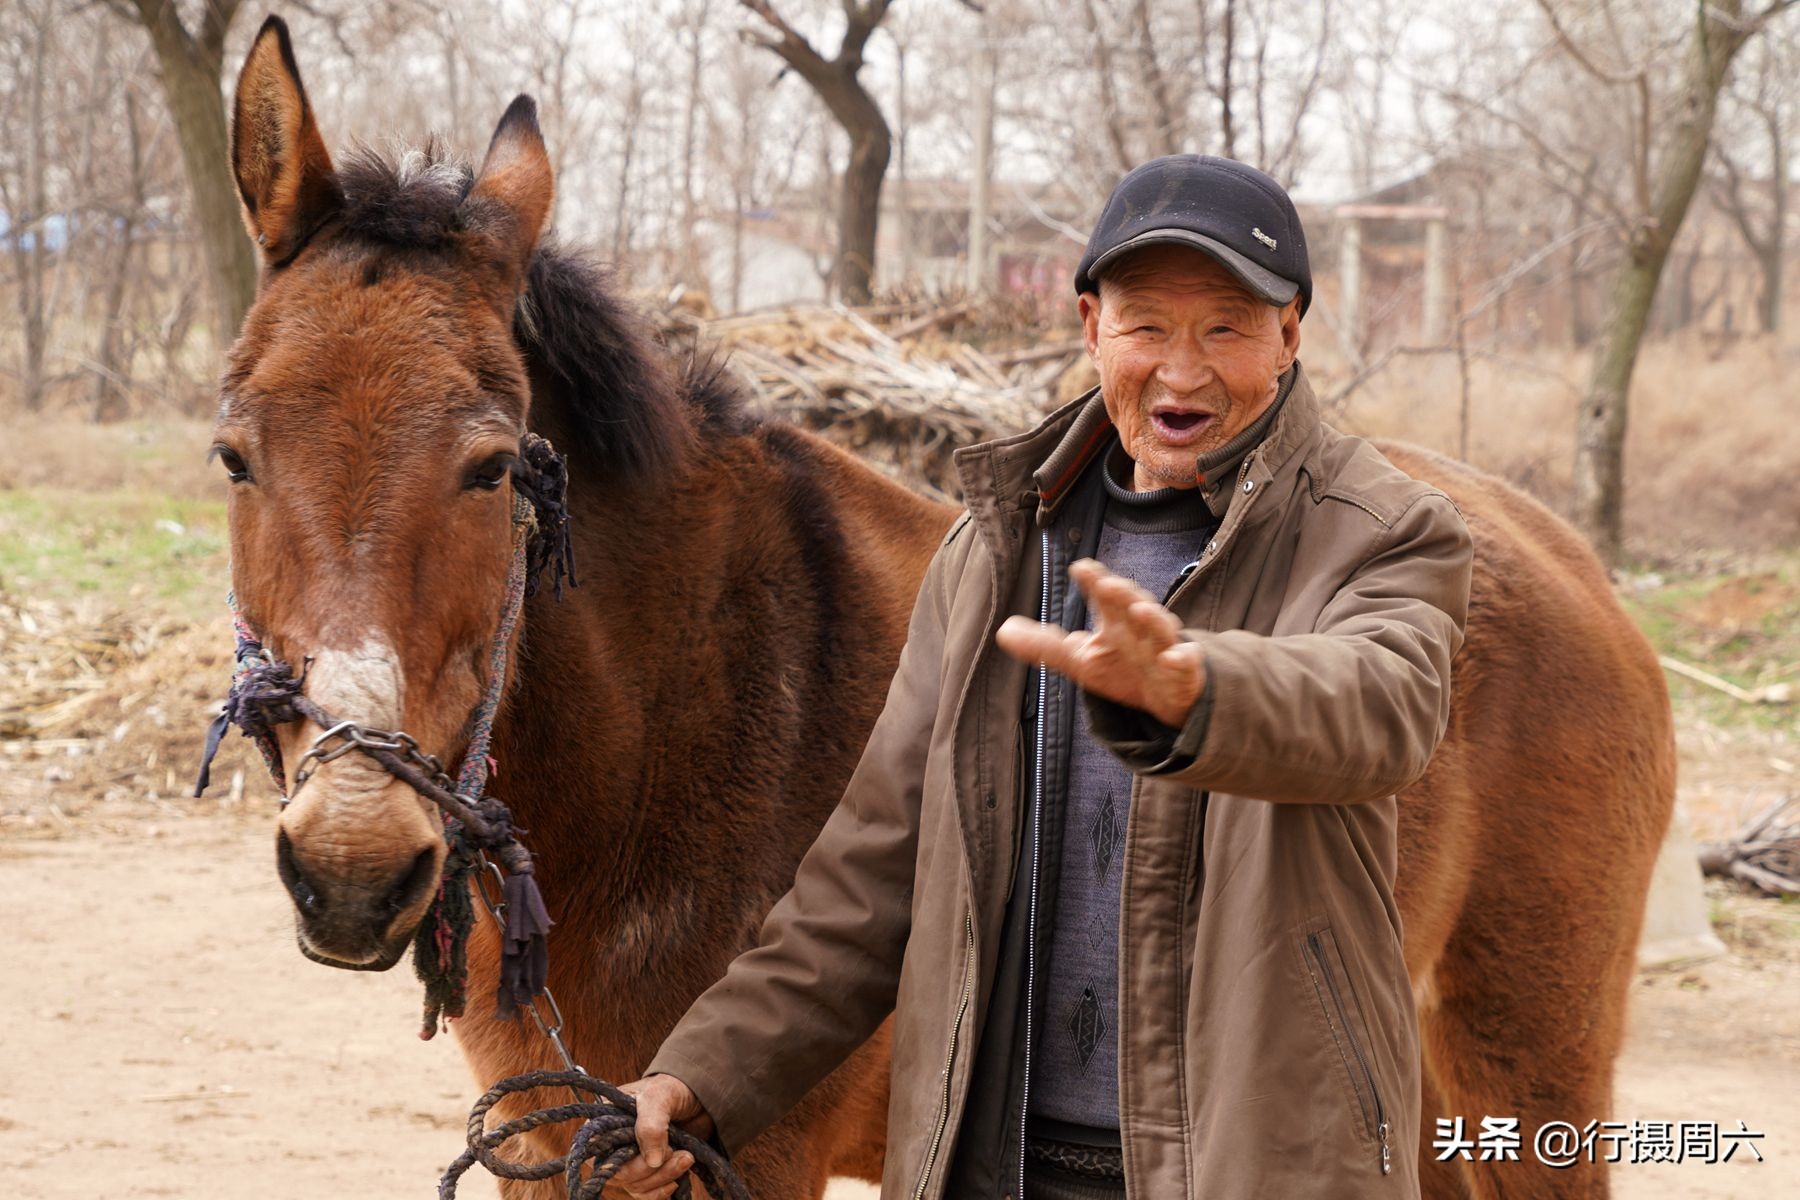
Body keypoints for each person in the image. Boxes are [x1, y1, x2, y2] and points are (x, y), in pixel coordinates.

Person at [609, 155, 1473, 1200]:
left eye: (1226, 329)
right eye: (1148, 326)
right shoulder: (994, 552)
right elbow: (870, 874)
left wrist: (1196, 690)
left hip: (1257, 1166)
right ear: (1090, 327)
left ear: (1289, 336)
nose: (1183, 371)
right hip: (999, 1165)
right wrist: (701, 1075)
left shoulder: (1381, 529)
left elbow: (1380, 707)